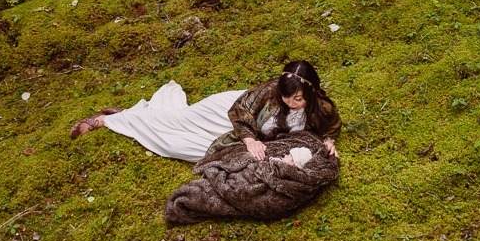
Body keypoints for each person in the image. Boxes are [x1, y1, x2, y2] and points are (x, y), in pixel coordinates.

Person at [69, 60, 342, 163]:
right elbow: (241, 110)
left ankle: (133, 117)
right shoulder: (269, 91)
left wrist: (328, 141)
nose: (292, 104)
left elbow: (330, 126)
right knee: (177, 120)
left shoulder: (320, 105)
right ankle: (107, 120)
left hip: (246, 133)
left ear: (310, 93)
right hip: (230, 113)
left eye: (297, 99)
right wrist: (249, 139)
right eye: (287, 98)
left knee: (177, 145)